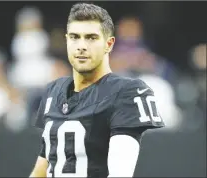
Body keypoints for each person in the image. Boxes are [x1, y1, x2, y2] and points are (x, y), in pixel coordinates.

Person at [30, 3, 164, 178]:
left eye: (91, 38)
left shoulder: (126, 92)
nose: (81, 46)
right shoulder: (53, 91)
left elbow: (120, 174)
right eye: (74, 37)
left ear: (108, 44)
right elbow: (44, 165)